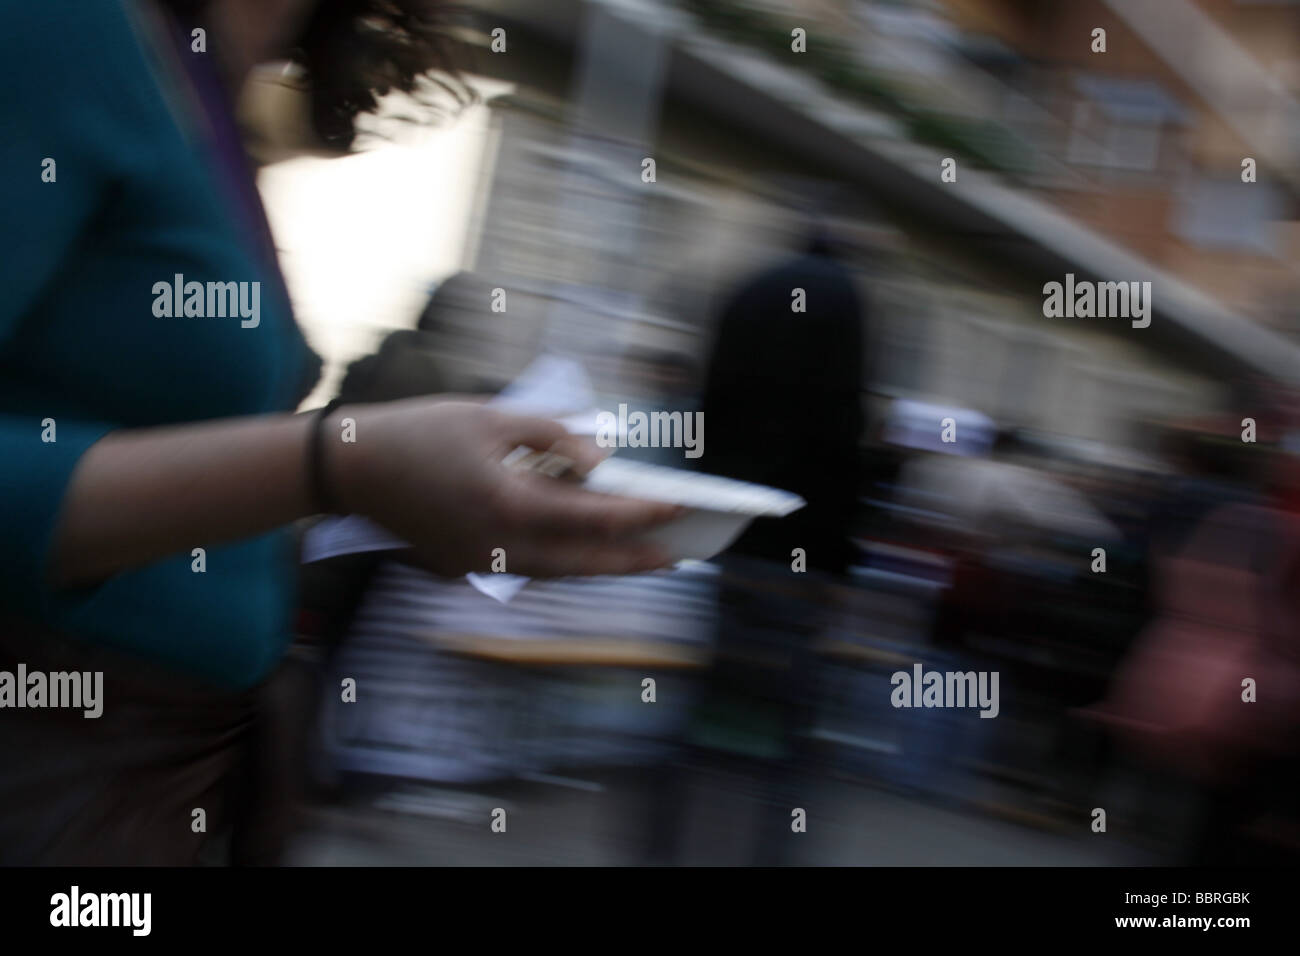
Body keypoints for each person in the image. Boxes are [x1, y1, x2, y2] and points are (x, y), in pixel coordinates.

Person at [0, 0, 677, 864]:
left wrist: (411, 494)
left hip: (168, 783)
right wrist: (337, 465)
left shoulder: (198, 82)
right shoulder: (60, 27)